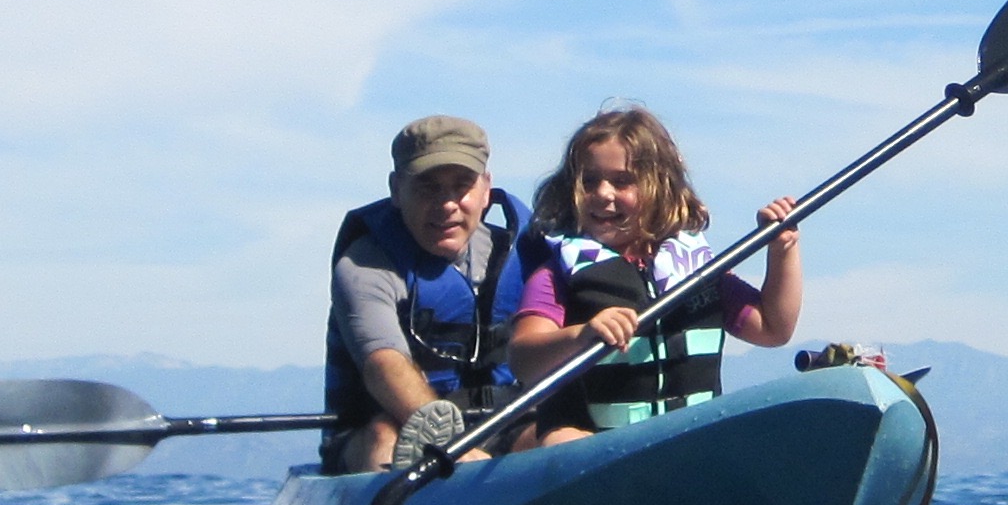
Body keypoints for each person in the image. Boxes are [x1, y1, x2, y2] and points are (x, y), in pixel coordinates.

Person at [503, 105, 802, 447]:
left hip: (689, 440)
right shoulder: (557, 274)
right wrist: (582, 335)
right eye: (589, 181)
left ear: (659, 187)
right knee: (558, 440)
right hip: (597, 447)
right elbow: (523, 360)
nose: (602, 194)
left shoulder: (697, 270)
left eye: (621, 181)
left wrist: (782, 252)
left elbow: (773, 328)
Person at [322, 115, 564, 475]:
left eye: (461, 186)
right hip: (391, 426)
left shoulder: (529, 255)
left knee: (561, 441)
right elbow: (382, 363)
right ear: (396, 190)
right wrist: (451, 444)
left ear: (486, 189)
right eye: (427, 187)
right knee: (384, 440)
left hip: (501, 420)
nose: (447, 204)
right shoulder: (364, 265)